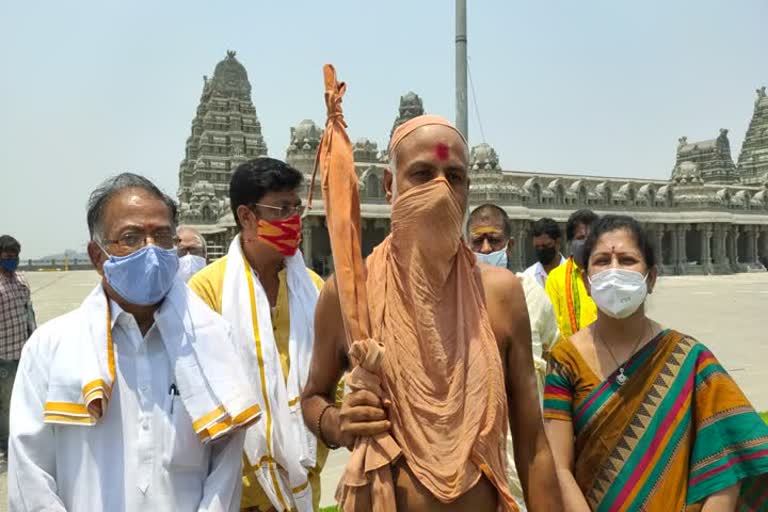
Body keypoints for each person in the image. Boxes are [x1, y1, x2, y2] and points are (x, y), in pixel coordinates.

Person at [302, 115, 562, 511]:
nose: (440, 190)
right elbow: (313, 399)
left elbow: (532, 444)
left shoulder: (501, 295)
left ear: (467, 190)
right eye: (422, 174)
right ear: (390, 186)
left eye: (454, 177)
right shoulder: (350, 293)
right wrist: (339, 423)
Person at [9, 173, 260, 511]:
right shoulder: (50, 346)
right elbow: (30, 472)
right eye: (130, 237)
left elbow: (226, 462)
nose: (151, 250)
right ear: (98, 257)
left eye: (162, 235)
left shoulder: (212, 339)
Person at [544, 214, 768, 510]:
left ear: (650, 278)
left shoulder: (689, 358)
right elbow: (558, 468)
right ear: (586, 281)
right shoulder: (565, 361)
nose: (614, 271)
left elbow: (728, 466)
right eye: (601, 261)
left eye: (626, 260)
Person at [189, 157, 326, 512]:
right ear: (247, 217)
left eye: (297, 207)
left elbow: (330, 376)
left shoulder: (311, 287)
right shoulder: (207, 290)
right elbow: (198, 391)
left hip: (303, 476)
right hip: (235, 484)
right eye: (281, 209)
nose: (294, 219)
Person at [467, 204, 560, 509]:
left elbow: (552, 349)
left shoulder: (530, 294)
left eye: (493, 241)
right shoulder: (455, 296)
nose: (485, 248)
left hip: (521, 437)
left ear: (509, 244)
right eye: (476, 241)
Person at [0, 235, 36, 468]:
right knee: (4, 405)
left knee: (14, 402)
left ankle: (11, 443)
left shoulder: (21, 281)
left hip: (21, 353)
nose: (12, 261)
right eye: (7, 258)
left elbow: (29, 314)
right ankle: (5, 447)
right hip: (2, 354)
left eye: (15, 257)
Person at [545, 209, 598, 338]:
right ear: (569, 243)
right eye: (580, 238)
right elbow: (551, 326)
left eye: (591, 238)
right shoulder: (556, 278)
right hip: (570, 353)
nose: (586, 243)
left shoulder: (608, 274)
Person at [523, 217, 566, 288]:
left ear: (557, 242)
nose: (541, 250)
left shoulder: (572, 274)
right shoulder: (528, 277)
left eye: (545, 246)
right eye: (537, 247)